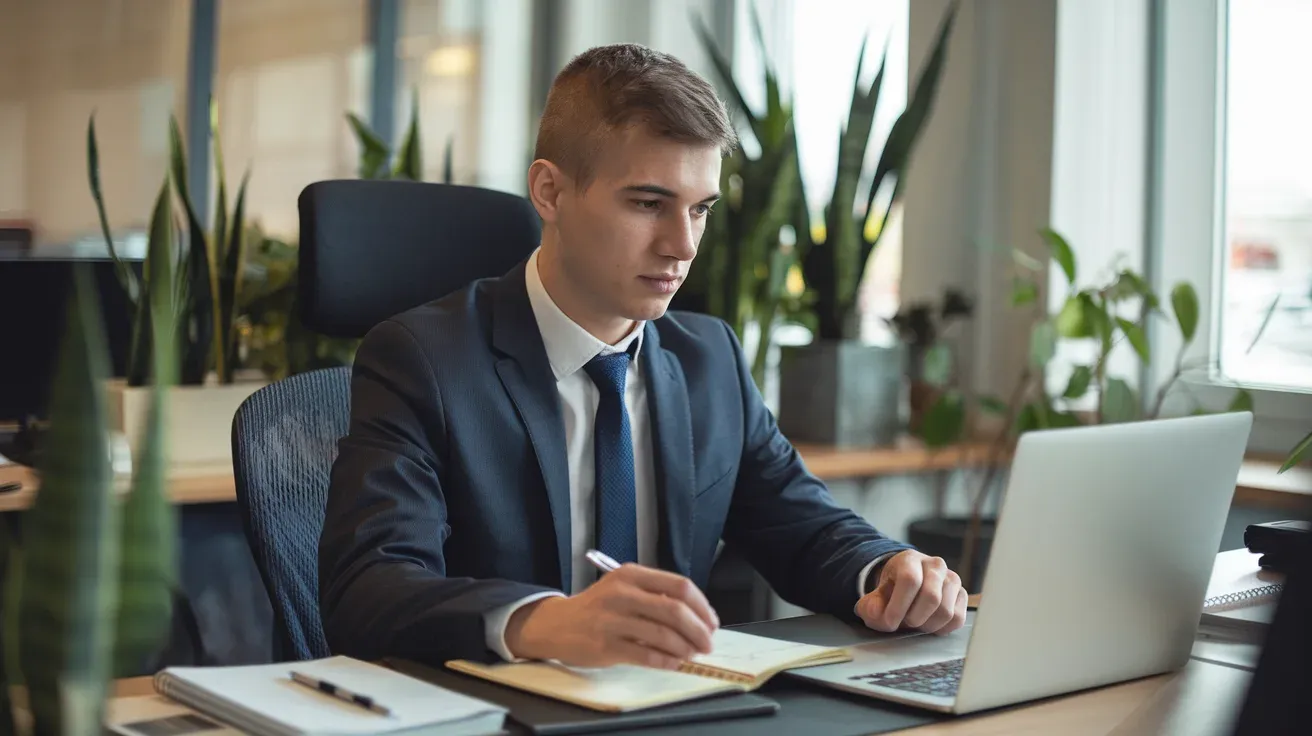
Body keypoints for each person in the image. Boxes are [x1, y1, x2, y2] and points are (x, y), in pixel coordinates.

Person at [318, 43, 966, 671]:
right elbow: (369, 586)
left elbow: (802, 525)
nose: (682, 246)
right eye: (648, 203)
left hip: (672, 707)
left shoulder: (709, 358)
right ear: (549, 192)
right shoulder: (423, 360)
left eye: (701, 209)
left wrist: (888, 570)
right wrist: (540, 622)